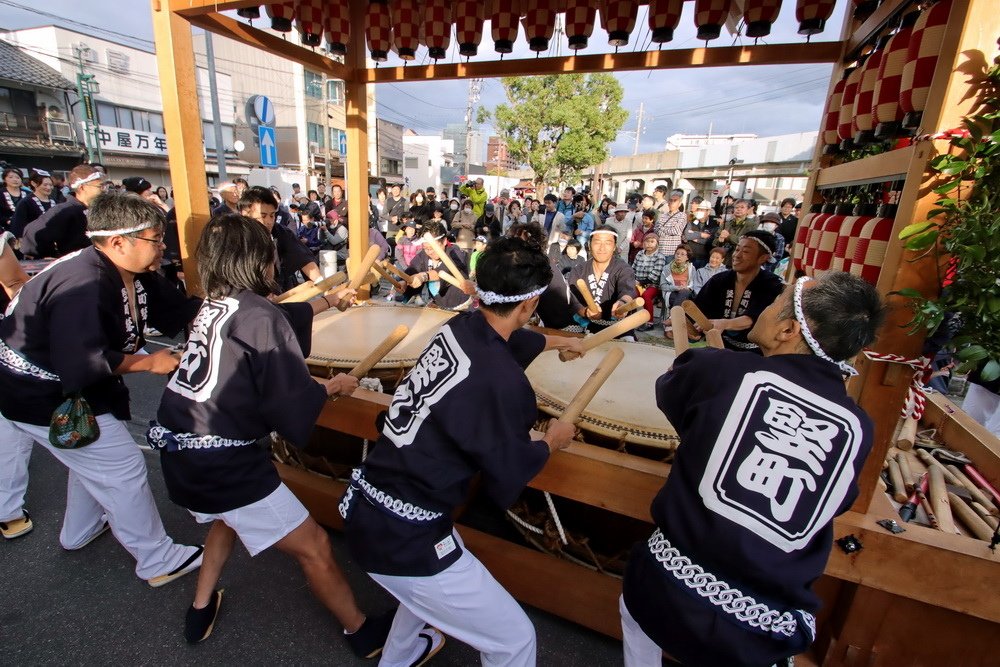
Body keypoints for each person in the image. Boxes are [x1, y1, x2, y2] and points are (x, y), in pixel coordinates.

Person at [146, 215, 390, 652]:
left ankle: (202, 603)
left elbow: (274, 324)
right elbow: (288, 402)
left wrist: (330, 302)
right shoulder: (260, 317)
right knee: (313, 545)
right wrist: (330, 387)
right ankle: (361, 631)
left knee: (228, 517)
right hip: (223, 465)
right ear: (261, 259)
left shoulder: (216, 305)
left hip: (180, 452)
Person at [621, 272, 885, 667]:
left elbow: (673, 395)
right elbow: (838, 501)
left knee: (636, 612)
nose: (766, 306)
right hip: (766, 633)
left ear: (788, 330)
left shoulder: (721, 370)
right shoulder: (857, 427)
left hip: (666, 592)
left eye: (777, 300)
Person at [342, 236, 583, 667]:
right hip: (409, 536)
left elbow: (503, 343)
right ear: (529, 305)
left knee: (421, 598)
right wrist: (552, 440)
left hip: (368, 506)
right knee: (514, 640)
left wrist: (556, 342)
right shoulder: (503, 384)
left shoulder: (455, 328)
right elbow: (506, 468)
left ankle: (400, 657)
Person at [0, 193, 205, 586]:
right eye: (155, 239)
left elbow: (182, 311)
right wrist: (149, 362)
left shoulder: (134, 272)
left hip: (49, 387)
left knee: (92, 458)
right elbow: (80, 359)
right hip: (35, 391)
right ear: (117, 241)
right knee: (121, 464)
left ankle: (80, 529)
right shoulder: (82, 282)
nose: (163, 247)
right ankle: (156, 559)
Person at [692, 230, 784, 352]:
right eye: (737, 249)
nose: (737, 255)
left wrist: (724, 323)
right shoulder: (720, 280)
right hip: (720, 346)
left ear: (763, 258)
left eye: (745, 251)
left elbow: (753, 318)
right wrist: (684, 322)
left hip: (756, 354)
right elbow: (699, 307)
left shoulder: (771, 284)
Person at [237, 187, 322, 291]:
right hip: (247, 296)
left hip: (279, 289)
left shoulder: (280, 232)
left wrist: (321, 283)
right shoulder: (233, 236)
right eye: (263, 216)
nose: (269, 221)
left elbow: (303, 258)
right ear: (245, 214)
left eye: (272, 215)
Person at [20, 165, 105, 259]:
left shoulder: (97, 209)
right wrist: (51, 256)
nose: (104, 190)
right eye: (99, 186)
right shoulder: (66, 210)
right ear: (82, 187)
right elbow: (32, 232)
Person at [568, 225, 639, 336]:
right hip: (587, 325)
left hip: (618, 327)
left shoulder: (623, 269)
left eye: (608, 243)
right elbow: (573, 301)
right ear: (589, 245)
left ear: (614, 246)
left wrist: (622, 304)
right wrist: (586, 311)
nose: (602, 248)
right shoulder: (579, 270)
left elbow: (627, 291)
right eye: (597, 242)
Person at [403, 221, 475, 309]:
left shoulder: (456, 252)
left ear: (444, 241)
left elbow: (444, 269)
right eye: (426, 248)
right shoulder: (423, 255)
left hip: (462, 306)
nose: (429, 252)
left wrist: (423, 276)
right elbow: (413, 268)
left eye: (432, 247)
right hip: (439, 306)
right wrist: (404, 282)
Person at [632, 232, 666, 326]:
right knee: (631, 293)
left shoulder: (660, 256)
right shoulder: (640, 254)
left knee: (646, 296)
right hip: (638, 283)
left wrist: (639, 282)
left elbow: (655, 274)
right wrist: (633, 280)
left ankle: (649, 322)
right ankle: (631, 319)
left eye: (652, 242)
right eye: (647, 241)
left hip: (653, 284)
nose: (649, 244)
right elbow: (633, 268)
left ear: (657, 244)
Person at [10, 170, 56, 238]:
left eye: (51, 185)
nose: (48, 188)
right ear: (33, 183)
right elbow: (18, 226)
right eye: (45, 185)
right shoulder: (25, 203)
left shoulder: (55, 202)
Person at [652, 187, 687, 257]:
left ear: (679, 204)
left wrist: (662, 228)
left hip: (672, 252)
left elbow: (676, 231)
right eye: (670, 200)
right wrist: (667, 229)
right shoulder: (662, 215)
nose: (672, 202)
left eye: (675, 201)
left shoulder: (682, 215)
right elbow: (656, 229)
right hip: (659, 250)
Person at [659, 244, 696, 309]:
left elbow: (694, 283)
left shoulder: (691, 268)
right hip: (671, 292)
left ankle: (672, 317)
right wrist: (676, 288)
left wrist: (688, 288)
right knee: (683, 302)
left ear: (687, 257)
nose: (679, 256)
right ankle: (675, 316)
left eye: (682, 254)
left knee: (684, 293)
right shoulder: (666, 268)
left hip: (686, 292)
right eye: (677, 254)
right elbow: (663, 286)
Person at [684, 200, 718, 268]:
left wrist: (696, 239)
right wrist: (701, 235)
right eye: (698, 209)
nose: (699, 211)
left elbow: (711, 240)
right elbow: (687, 235)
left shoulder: (713, 225)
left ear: (708, 212)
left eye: (702, 210)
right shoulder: (692, 222)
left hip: (704, 258)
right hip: (690, 256)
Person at [535, 193, 569, 261]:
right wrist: (536, 212)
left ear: (555, 203)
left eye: (549, 203)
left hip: (552, 243)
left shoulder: (560, 216)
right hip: (539, 241)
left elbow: (563, 230)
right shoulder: (540, 212)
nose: (547, 205)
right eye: (545, 203)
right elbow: (534, 223)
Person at [1, 167, 26, 232]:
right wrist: (7, 221)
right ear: (4, 179)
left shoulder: (28, 194)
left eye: (18, 177)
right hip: (5, 229)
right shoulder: (0, 193)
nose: (15, 180)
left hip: (26, 228)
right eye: (11, 177)